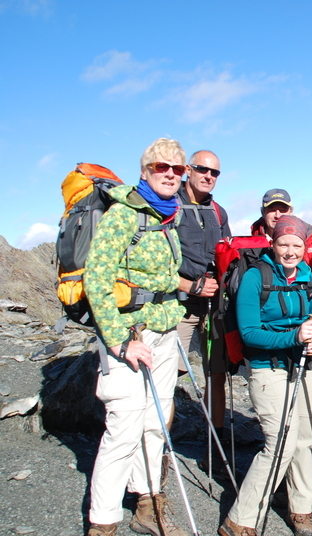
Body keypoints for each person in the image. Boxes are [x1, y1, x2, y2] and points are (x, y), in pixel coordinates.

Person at [84, 138, 188, 536]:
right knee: (124, 425)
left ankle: (147, 502)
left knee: (155, 421)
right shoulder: (124, 215)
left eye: (177, 170)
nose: (170, 175)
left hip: (163, 332)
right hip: (131, 335)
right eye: (162, 167)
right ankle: (103, 522)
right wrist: (120, 340)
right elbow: (98, 278)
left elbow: (162, 279)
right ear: (145, 170)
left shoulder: (167, 217)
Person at [218, 215, 312, 536]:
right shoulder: (255, 278)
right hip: (268, 368)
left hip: (306, 366)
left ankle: (301, 509)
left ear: (305, 248)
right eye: (284, 244)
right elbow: (250, 332)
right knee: (280, 443)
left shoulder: (308, 277)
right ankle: (240, 519)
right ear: (273, 243)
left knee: (305, 441)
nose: (291, 251)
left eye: (297, 245)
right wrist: (293, 338)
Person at [174, 150, 231, 475]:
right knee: (170, 374)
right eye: (202, 170)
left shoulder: (218, 212)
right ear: (189, 170)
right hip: (180, 306)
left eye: (215, 173)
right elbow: (159, 261)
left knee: (216, 375)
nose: (209, 176)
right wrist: (190, 286)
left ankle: (215, 446)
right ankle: (158, 446)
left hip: (214, 305)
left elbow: (226, 252)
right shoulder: (171, 205)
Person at [250, 188, 312, 275]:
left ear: (291, 212)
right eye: (272, 210)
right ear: (262, 212)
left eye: (282, 210)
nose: (277, 215)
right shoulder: (250, 247)